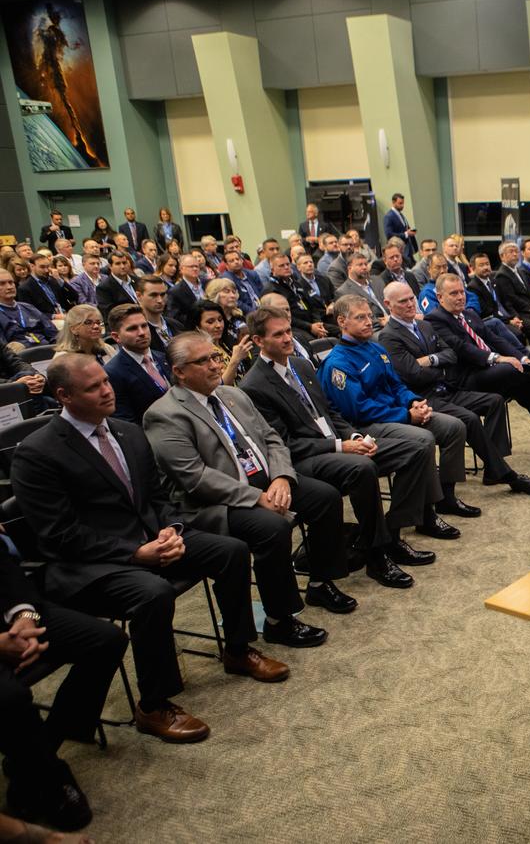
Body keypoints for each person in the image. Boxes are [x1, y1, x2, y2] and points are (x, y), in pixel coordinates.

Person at [13, 354, 291, 744]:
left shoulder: (127, 432)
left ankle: (238, 649)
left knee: (229, 551)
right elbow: (60, 534)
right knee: (153, 592)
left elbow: (158, 498)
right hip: (90, 563)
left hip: (149, 537)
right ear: (63, 396)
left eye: (106, 382)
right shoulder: (38, 452)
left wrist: (171, 530)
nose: (107, 390)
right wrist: (134, 553)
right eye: (93, 387)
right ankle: (154, 704)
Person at [144, 331, 341, 632]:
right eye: (203, 361)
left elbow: (272, 439)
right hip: (215, 503)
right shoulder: (164, 414)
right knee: (270, 527)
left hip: (268, 484)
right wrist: (256, 497)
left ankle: (319, 581)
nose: (214, 365)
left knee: (325, 497)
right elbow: (195, 477)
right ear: (180, 372)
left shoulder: (231, 394)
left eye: (215, 357)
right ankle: (280, 619)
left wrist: (282, 477)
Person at [241, 306, 435, 591]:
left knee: (415, 449)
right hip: (305, 459)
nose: (287, 339)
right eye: (278, 334)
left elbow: (329, 411)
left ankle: (391, 534)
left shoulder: (301, 365)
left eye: (288, 331)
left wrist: (355, 436)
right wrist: (340, 446)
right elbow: (284, 444)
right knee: (362, 468)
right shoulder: (254, 385)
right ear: (258, 341)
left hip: (337, 442)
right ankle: (376, 555)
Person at [320, 295, 477, 540]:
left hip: (398, 414)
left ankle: (446, 498)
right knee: (423, 440)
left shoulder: (375, 347)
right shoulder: (338, 363)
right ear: (342, 321)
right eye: (360, 317)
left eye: (370, 316)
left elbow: (397, 385)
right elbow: (358, 410)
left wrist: (414, 402)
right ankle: (408, 521)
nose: (368, 322)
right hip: (368, 425)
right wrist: (406, 415)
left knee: (453, 426)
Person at [378, 282, 530, 496]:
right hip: (422, 397)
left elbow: (451, 355)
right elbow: (413, 374)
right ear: (388, 304)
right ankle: (504, 477)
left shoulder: (424, 326)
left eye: (412, 298)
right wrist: (439, 366)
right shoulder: (389, 336)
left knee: (494, 401)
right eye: (403, 301)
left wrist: (429, 361)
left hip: (447, 388)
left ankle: (494, 468)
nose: (411, 303)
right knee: (468, 419)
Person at [1, 549, 126, 832]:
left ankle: (34, 760)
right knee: (11, 698)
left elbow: (4, 565)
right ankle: (52, 778)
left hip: (9, 619)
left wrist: (25, 615)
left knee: (107, 641)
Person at [427, 273, 530, 464]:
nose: (460, 297)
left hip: (491, 374)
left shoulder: (469, 314)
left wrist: (522, 357)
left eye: (462, 292)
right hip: (466, 379)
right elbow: (461, 349)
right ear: (440, 297)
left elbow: (494, 339)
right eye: (453, 293)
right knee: (515, 370)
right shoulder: (435, 319)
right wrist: (499, 359)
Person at [105, 303, 170, 423]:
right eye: (132, 328)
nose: (141, 332)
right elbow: (126, 422)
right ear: (116, 337)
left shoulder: (164, 357)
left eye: (144, 326)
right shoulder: (112, 373)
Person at [263, 253, 335, 340]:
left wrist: (317, 323)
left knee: (341, 330)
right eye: (281, 265)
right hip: (294, 327)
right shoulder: (272, 290)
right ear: (272, 269)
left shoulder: (295, 283)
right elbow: (285, 317)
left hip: (313, 323)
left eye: (287, 264)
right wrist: (310, 327)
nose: (286, 267)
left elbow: (312, 307)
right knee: (313, 342)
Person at [189, 300, 252, 386]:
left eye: (220, 320)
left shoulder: (227, 343)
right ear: (197, 326)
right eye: (210, 322)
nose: (218, 325)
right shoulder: (198, 353)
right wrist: (235, 360)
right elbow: (220, 386)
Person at [493, 241, 530, 339]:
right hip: (517, 312)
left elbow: (529, 293)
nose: (515, 254)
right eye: (511, 252)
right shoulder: (502, 275)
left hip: (528, 308)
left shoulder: (520, 271)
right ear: (502, 256)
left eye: (516, 251)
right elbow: (511, 299)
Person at [17, 253, 73, 319]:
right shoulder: (25, 288)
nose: (46, 270)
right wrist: (53, 316)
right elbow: (29, 313)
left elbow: (74, 296)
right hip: (47, 321)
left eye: (48, 266)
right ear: (32, 266)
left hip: (66, 314)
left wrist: (59, 279)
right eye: (42, 267)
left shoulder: (53, 280)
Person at [136, 273, 184, 349]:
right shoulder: (138, 332)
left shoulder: (176, 325)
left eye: (162, 295)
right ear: (139, 296)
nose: (160, 300)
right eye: (153, 295)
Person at [95, 249, 140, 320]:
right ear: (110, 266)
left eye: (124, 263)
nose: (122, 266)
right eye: (118, 263)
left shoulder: (137, 280)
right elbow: (110, 313)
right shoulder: (104, 287)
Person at [383, 193, 418, 262]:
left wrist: (410, 231)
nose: (402, 206)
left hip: (408, 246)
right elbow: (389, 234)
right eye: (400, 203)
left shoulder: (400, 215)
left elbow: (404, 228)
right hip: (399, 247)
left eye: (403, 203)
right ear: (393, 202)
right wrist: (406, 234)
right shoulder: (388, 216)